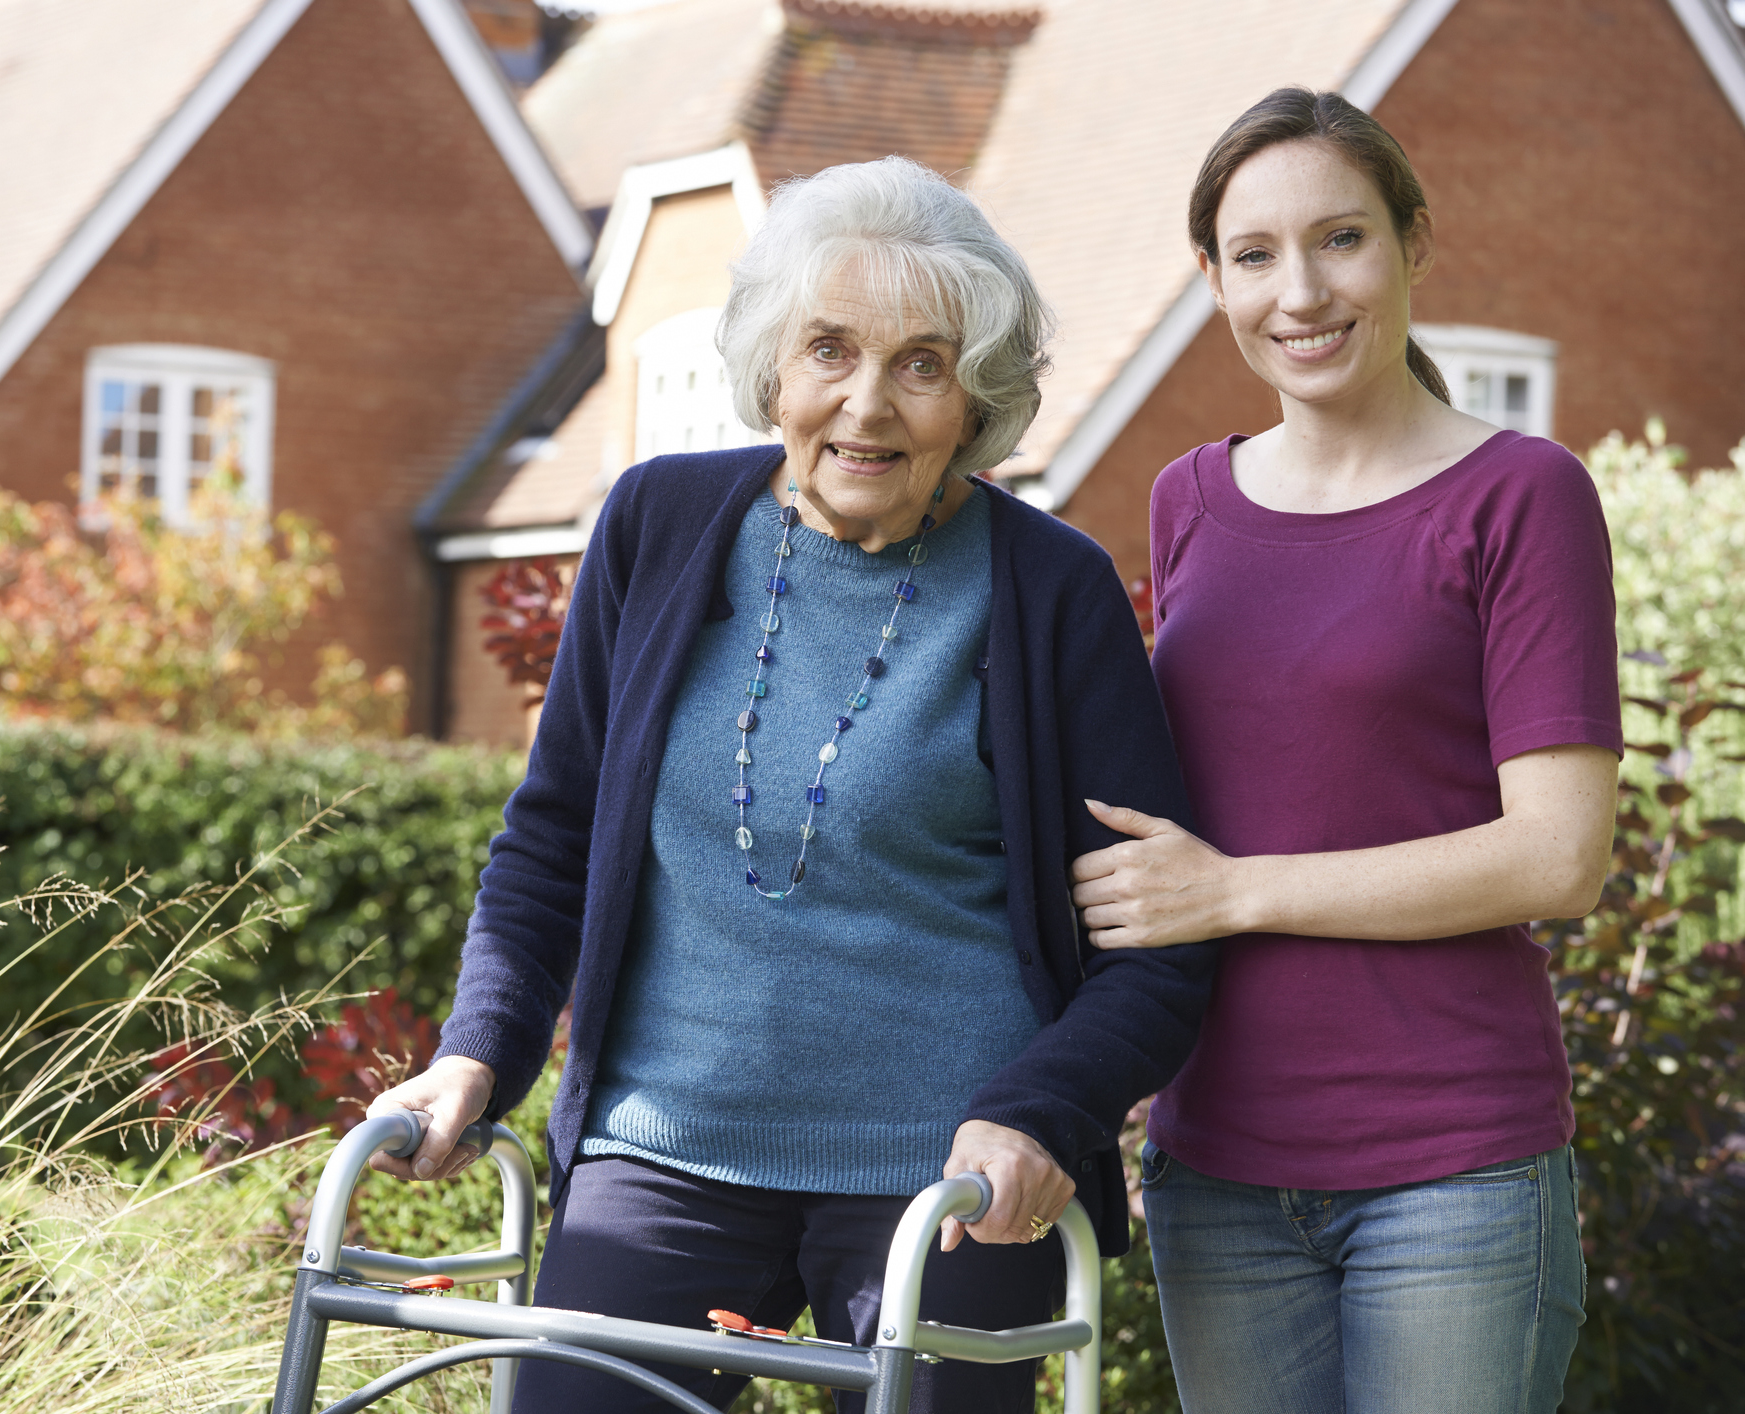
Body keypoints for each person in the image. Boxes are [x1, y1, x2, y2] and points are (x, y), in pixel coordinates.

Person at [365, 155, 1216, 1414]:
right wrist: (475, 1051)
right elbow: (551, 839)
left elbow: (1161, 948)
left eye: (921, 363)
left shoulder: (1052, 590)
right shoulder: (656, 524)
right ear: (774, 363)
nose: (866, 404)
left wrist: (1044, 1114)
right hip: (662, 1152)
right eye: (830, 349)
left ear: (974, 396)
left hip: (951, 1179)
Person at [1068, 89, 1619, 1414]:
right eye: (1252, 255)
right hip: (1216, 1167)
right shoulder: (1184, 498)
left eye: (1339, 240)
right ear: (1209, 278)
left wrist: (1236, 890)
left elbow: (1558, 855)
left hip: (1452, 1167)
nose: (1297, 291)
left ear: (1411, 243)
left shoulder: (1518, 495)